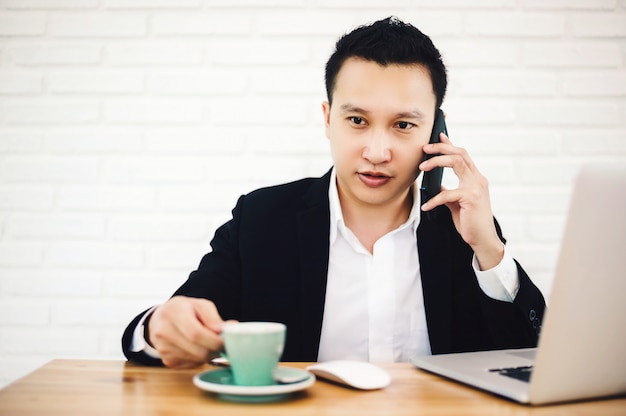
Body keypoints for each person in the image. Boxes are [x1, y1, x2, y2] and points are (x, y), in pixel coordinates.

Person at [122, 16, 546, 369]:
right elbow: (167, 328)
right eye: (357, 120)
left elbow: (533, 362)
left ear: (436, 129)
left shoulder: (467, 233)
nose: (377, 152)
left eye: (403, 125)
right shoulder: (261, 219)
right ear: (328, 119)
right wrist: (159, 327)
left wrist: (490, 250)